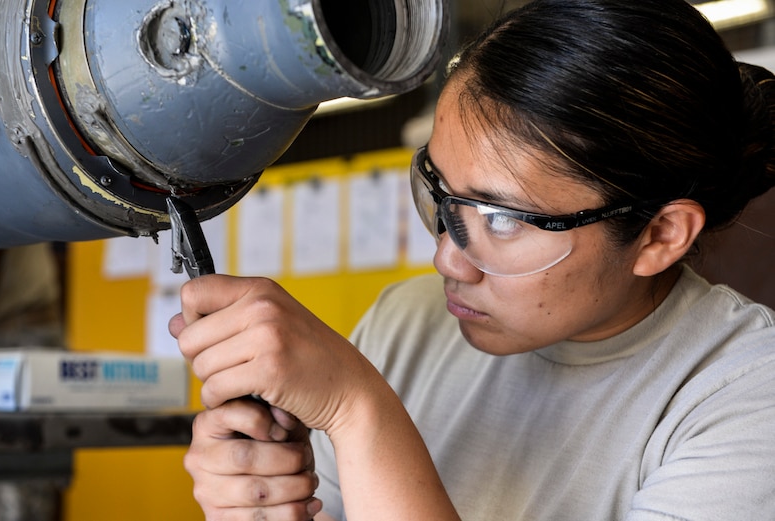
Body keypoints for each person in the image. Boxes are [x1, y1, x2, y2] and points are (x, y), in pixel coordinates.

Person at [168, 0, 775, 519]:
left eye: (504, 219)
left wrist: (361, 413)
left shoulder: (745, 395)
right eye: (438, 190)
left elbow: (359, 412)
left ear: (660, 235)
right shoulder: (406, 323)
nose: (446, 260)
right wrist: (259, 502)